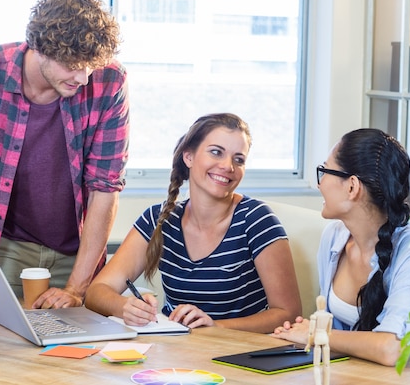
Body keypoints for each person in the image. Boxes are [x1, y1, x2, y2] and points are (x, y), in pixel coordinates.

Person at [0, 0, 129, 310]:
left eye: (91, 65)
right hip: (2, 250)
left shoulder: (110, 80)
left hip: (78, 254)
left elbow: (105, 188)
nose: (84, 77)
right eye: (74, 65)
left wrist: (77, 288)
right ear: (40, 49)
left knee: (76, 357)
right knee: (0, 354)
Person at [84, 113, 302, 333]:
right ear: (188, 157)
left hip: (239, 354)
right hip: (177, 352)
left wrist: (215, 327)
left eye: (239, 159)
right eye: (216, 152)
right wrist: (125, 307)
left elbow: (288, 313)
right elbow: (96, 292)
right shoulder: (158, 219)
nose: (228, 166)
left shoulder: (257, 220)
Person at [271, 128, 410, 366]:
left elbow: (392, 348)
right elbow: (338, 338)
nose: (320, 185)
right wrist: (298, 334)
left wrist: (316, 334)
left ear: (352, 187)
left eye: (324, 171)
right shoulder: (334, 238)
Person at [306, 295, 333, 385]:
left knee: (317, 364)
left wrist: (309, 344)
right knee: (327, 364)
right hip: (325, 337)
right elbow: (329, 331)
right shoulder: (329, 316)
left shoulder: (315, 316)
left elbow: (311, 332)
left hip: (318, 337)